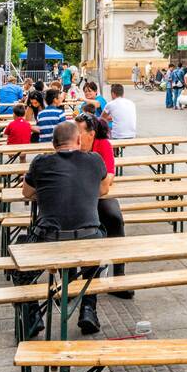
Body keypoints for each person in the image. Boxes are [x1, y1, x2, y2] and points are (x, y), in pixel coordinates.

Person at [21, 120, 109, 334]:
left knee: (20, 261)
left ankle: (32, 314)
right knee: (95, 249)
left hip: (49, 238)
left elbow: (26, 193)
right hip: (88, 237)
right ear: (79, 140)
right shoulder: (95, 160)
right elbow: (104, 190)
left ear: (53, 144)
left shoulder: (40, 162)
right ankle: (88, 309)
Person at [76, 114, 132, 297]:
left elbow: (108, 180)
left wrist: (91, 191)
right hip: (76, 198)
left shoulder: (102, 145)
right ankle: (73, 282)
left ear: (91, 134)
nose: (74, 135)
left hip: (98, 196)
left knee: (114, 218)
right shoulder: (70, 144)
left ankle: (119, 277)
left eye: (79, 132)